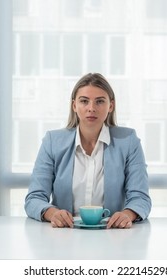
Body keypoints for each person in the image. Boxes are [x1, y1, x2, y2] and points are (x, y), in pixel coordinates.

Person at [24, 73, 151, 229]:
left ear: (110, 106)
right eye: (84, 101)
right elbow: (34, 198)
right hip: (63, 234)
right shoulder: (52, 141)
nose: (91, 108)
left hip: (113, 235)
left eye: (99, 101)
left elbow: (141, 198)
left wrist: (127, 214)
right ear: (74, 105)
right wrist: (52, 213)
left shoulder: (128, 141)